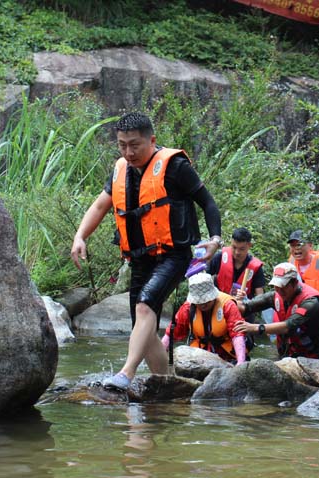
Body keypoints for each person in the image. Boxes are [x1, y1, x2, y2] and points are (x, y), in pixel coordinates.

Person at [70, 112, 222, 390]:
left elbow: (208, 203)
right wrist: (80, 236)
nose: (128, 152)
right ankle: (164, 385)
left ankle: (125, 374)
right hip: (139, 258)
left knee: (145, 306)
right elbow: (99, 206)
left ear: (152, 140)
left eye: (135, 145)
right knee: (145, 329)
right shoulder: (120, 169)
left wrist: (215, 238)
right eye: (122, 145)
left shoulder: (175, 166)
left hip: (173, 256)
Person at [234, 262, 319, 362]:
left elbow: (287, 326)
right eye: (276, 286)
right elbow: (246, 308)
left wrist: (254, 327)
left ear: (294, 283)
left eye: (283, 286)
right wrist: (235, 304)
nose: (279, 290)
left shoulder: (311, 302)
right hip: (294, 354)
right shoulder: (275, 296)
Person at [161, 272, 247, 364]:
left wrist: (240, 363)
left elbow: (237, 334)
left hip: (226, 355)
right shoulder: (188, 308)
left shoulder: (228, 305)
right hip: (198, 356)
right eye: (199, 301)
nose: (203, 304)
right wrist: (159, 354)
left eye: (206, 300)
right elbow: (171, 333)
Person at [206, 227, 265, 322]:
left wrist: (246, 301)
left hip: (243, 312)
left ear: (249, 245)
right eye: (234, 247)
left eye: (242, 249)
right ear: (231, 243)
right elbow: (204, 278)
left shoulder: (256, 267)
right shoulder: (220, 257)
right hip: (219, 307)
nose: (237, 252)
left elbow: (260, 298)